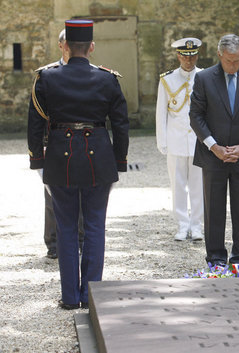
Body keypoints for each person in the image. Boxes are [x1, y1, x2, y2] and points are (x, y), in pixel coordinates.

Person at [27, 19, 129, 309]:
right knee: (95, 226)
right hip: (99, 158)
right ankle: (91, 295)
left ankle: (71, 297)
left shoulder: (46, 78)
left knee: (67, 228)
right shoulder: (108, 79)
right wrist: (120, 161)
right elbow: (121, 124)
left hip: (60, 159)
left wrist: (37, 160)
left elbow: (35, 123)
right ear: (92, 47)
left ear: (66, 47)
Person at [189, 34, 239, 266]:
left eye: (238, 61)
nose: (233, 66)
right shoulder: (204, 78)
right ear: (220, 55)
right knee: (214, 208)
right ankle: (215, 257)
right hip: (213, 155)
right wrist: (213, 146)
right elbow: (196, 115)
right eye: (229, 60)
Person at [39, 29, 85, 259]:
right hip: (55, 144)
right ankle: (54, 243)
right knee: (53, 196)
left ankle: (80, 239)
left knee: (83, 194)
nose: (71, 48)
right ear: (60, 46)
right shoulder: (47, 75)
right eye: (67, 43)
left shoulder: (90, 74)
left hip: (83, 144)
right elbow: (38, 116)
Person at [156, 37, 204, 241]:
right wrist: (162, 141)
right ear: (178, 56)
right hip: (176, 140)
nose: (189, 60)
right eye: (185, 56)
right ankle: (183, 225)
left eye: (192, 56)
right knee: (178, 185)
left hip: (200, 142)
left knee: (199, 185)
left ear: (197, 56)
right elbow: (161, 112)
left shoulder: (205, 77)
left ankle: (198, 225)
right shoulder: (167, 79)